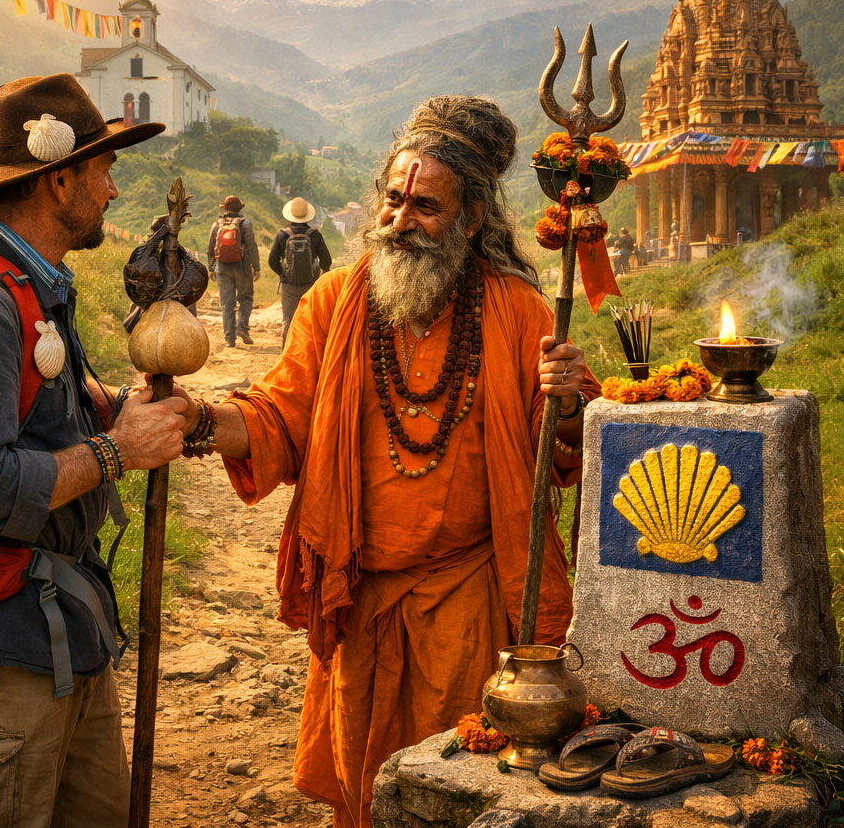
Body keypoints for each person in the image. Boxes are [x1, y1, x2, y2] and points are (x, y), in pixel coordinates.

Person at [174, 95, 598, 828]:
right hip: (361, 599)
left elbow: (560, 453)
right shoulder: (335, 301)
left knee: (466, 790)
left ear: (471, 220)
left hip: (471, 602)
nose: (401, 220)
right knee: (366, 794)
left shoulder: (519, 310)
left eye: (427, 206)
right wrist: (203, 422)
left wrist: (568, 396)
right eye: (395, 199)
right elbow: (281, 415)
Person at [0, 74, 190, 828]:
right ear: (58, 181)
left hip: (55, 640)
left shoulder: (29, 283)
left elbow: (34, 416)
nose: (114, 193)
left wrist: (115, 411)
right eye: (103, 171)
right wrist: (118, 452)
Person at [268, 196, 332, 346]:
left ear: (290, 215)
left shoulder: (282, 235)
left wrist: (284, 273)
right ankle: (308, 356)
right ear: (307, 216)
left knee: (289, 322)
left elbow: (272, 261)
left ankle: (287, 356)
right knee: (310, 321)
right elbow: (326, 261)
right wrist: (320, 276)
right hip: (310, 285)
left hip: (288, 286)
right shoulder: (315, 235)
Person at [208, 195, 261, 347]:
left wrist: (212, 267)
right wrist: (256, 267)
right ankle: (242, 328)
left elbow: (211, 246)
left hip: (222, 267)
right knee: (245, 299)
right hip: (242, 267)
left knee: (227, 304)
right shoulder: (245, 223)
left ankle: (229, 339)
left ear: (224, 208)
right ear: (239, 209)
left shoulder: (217, 225)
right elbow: (251, 246)